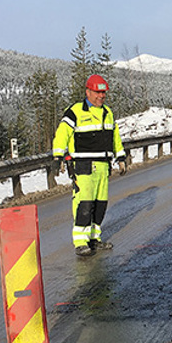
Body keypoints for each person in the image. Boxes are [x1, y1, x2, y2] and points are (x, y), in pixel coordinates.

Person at [52, 74, 127, 257]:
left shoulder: (108, 113)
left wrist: (121, 157)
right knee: (84, 203)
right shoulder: (75, 112)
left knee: (100, 204)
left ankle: (94, 239)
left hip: (103, 166)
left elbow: (114, 138)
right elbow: (62, 134)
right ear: (88, 92)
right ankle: (81, 242)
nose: (101, 96)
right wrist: (57, 156)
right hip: (83, 166)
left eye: (103, 93)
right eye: (97, 92)